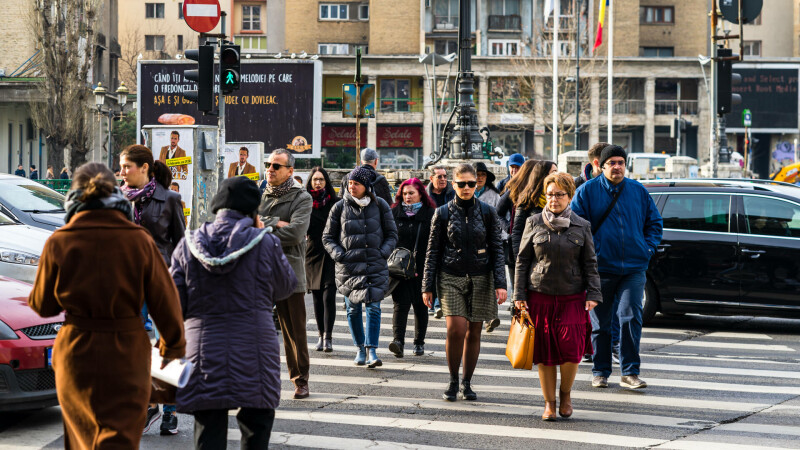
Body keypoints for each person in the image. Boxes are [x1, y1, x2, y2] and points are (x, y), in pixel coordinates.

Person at [28, 162, 185, 449]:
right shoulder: (139, 240)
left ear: (74, 197)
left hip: (77, 350)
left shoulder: (60, 241)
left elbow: (43, 306)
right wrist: (172, 349)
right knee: (120, 439)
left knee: (82, 438)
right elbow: (167, 304)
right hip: (127, 350)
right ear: (117, 195)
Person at [170, 177, 296, 449]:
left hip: (203, 350)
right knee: (256, 425)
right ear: (253, 209)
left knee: (208, 428)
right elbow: (286, 287)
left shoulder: (189, 244)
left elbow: (173, 302)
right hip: (255, 348)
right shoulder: (265, 243)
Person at [571, 145, 663, 390]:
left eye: (621, 162)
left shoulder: (638, 190)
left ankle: (630, 372)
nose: (617, 167)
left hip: (633, 267)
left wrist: (647, 248)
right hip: (600, 269)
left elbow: (654, 223)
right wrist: (588, 257)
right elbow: (575, 229)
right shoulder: (586, 192)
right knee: (601, 325)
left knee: (631, 318)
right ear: (601, 166)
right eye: (611, 162)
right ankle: (600, 371)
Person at [514, 172, 601, 421]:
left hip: (572, 297)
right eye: (550, 194)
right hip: (539, 296)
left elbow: (590, 263)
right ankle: (549, 403)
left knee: (571, 351)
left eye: (559, 194)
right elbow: (522, 261)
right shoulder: (533, 222)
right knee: (545, 353)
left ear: (570, 196)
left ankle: (565, 395)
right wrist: (518, 294)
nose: (554, 199)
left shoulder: (582, 225)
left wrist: (593, 293)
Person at [422, 163, 507, 401]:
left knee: (474, 332)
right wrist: (427, 286)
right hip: (450, 276)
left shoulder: (488, 212)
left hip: (481, 276)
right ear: (454, 184)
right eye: (462, 184)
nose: (467, 187)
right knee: (456, 329)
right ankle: (452, 380)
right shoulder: (442, 213)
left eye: (471, 183)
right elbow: (432, 251)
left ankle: (466, 383)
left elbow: (497, 249)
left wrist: (501, 283)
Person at [119, 144, 185, 434]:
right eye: (121, 167)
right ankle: (146, 405)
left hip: (162, 280)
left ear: (144, 168)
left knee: (166, 345)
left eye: (127, 167)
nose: (122, 172)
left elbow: (181, 244)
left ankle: (169, 409)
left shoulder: (170, 199)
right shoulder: (119, 199)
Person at [323, 167, 398, 368]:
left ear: (366, 186)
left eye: (356, 183)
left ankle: (372, 349)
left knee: (374, 307)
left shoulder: (380, 205)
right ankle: (359, 349)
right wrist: (340, 255)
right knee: (353, 309)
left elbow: (392, 234)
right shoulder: (339, 207)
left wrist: (383, 252)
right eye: (350, 183)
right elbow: (328, 237)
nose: (352, 187)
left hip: (375, 265)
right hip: (349, 268)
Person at [258, 148, 313, 399]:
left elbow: (295, 233)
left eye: (276, 166)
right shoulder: (259, 192)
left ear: (290, 171)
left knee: (293, 331)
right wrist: (274, 222)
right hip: (258, 269)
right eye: (268, 164)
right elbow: (243, 221)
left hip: (288, 270)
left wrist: (261, 224)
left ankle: (300, 380)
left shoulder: (301, 197)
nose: (270, 169)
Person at [388, 178, 436, 358]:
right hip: (399, 268)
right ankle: (398, 341)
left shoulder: (430, 214)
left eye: (411, 193)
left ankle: (419, 342)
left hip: (422, 267)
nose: (407, 197)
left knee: (420, 306)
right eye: (404, 194)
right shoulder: (394, 212)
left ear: (420, 194)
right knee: (400, 305)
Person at [574, 142, 611, 363]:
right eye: (609, 161)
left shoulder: (617, 186)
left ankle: (607, 346)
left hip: (608, 256)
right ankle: (589, 347)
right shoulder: (579, 186)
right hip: (586, 255)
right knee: (587, 305)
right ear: (598, 163)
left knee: (608, 307)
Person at [305, 166, 340, 353]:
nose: (318, 183)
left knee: (329, 296)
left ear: (326, 182)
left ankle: (328, 337)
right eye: (315, 180)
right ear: (310, 182)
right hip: (312, 253)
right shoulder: (305, 202)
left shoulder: (335, 202)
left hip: (331, 253)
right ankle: (320, 335)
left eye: (321, 179)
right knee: (317, 297)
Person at [496, 159, 538, 294]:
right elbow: (498, 212)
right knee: (518, 288)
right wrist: (509, 228)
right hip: (516, 242)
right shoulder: (515, 189)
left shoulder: (543, 191)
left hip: (536, 243)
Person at [473, 161, 503, 333]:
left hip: (489, 242)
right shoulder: (465, 193)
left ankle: (491, 317)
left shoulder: (494, 195)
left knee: (490, 280)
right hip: (470, 243)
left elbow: (500, 217)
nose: (479, 178)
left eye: (482, 175)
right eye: (477, 175)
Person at [511, 161, 558, 259]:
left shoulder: (559, 199)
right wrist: (519, 260)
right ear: (543, 175)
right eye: (553, 172)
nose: (557, 176)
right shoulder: (526, 200)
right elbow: (517, 233)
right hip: (534, 257)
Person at [425, 165, 454, 318]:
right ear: (431, 178)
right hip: (429, 235)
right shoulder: (425, 194)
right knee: (431, 268)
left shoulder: (452, 192)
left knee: (443, 269)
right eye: (439, 176)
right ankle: (433, 301)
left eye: (445, 176)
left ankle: (438, 303)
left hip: (448, 235)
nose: (443, 179)